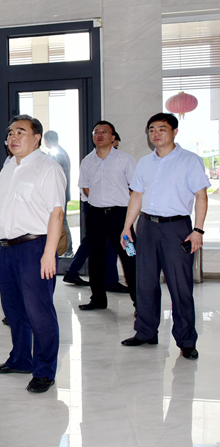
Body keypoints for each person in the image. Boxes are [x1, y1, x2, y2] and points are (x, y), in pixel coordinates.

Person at [0, 114, 66, 394]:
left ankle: (44, 371)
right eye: (10, 133)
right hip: (7, 250)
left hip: (34, 248)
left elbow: (57, 213)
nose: (13, 137)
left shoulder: (48, 168)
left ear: (37, 138)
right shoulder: (8, 166)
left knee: (39, 312)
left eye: (20, 132)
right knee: (14, 310)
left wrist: (49, 253)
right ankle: (20, 359)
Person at [120, 113, 209, 360]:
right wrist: (127, 227)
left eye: (162, 129)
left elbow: (201, 196)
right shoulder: (144, 163)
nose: (156, 133)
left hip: (177, 229)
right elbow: (136, 196)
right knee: (145, 283)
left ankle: (186, 340)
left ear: (174, 132)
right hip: (147, 227)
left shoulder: (190, 160)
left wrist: (198, 230)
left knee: (180, 286)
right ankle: (146, 332)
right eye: (152, 129)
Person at [77, 121, 137, 311]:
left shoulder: (125, 159)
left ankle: (139, 302)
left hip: (120, 217)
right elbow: (85, 188)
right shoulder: (87, 161)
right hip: (95, 215)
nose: (100, 135)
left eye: (104, 132)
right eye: (96, 132)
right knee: (96, 259)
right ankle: (98, 299)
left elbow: (135, 188)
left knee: (130, 256)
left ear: (113, 137)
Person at [44, 130, 73, 257]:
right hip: (61, 193)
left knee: (62, 221)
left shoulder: (57, 154)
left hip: (59, 193)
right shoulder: (60, 153)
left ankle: (67, 249)